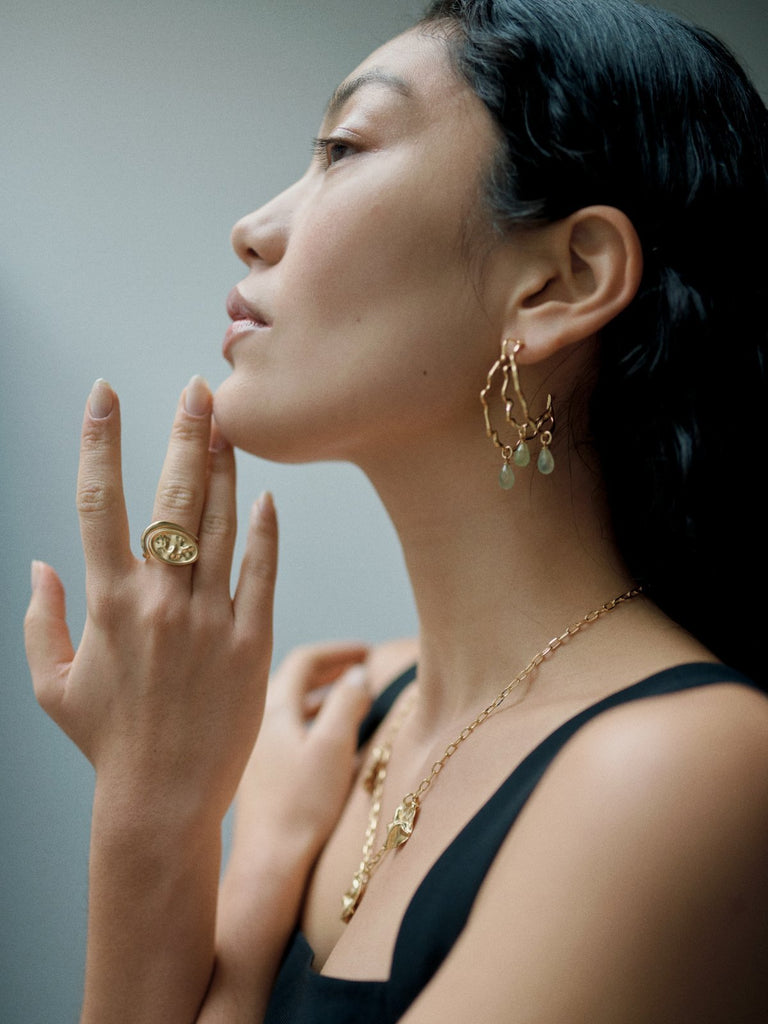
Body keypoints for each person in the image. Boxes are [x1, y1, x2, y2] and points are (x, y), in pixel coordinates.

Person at [23, 0, 768, 1020]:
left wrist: (159, 811)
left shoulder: (686, 769)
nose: (253, 229)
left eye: (344, 149)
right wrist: (250, 855)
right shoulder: (340, 715)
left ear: (562, 281)